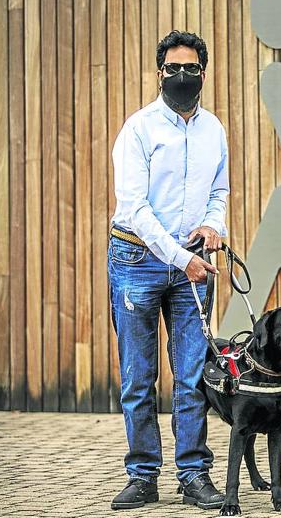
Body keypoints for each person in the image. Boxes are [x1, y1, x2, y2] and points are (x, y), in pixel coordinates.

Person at [108, 31, 229, 510]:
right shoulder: (138, 130)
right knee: (139, 378)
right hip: (137, 260)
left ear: (203, 73)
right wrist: (184, 259)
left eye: (192, 69)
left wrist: (213, 226)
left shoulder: (213, 130)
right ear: (160, 73)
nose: (183, 76)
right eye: (174, 68)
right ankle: (142, 476)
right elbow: (135, 209)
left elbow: (219, 192)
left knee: (193, 376)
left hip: (192, 266)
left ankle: (194, 475)